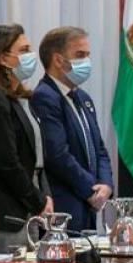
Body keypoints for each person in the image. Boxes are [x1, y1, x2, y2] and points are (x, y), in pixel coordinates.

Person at [0, 23, 53, 250]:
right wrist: (38, 201)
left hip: (29, 206)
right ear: (3, 59)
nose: (31, 56)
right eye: (24, 50)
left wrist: (45, 196)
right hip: (8, 211)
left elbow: (36, 158)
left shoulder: (20, 99)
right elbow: (7, 163)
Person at [31, 27, 112, 232]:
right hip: (65, 207)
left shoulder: (83, 98)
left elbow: (99, 149)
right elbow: (57, 154)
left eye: (87, 55)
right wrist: (90, 190)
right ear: (58, 60)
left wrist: (105, 184)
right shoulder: (45, 97)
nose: (86, 61)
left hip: (88, 206)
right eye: (79, 55)